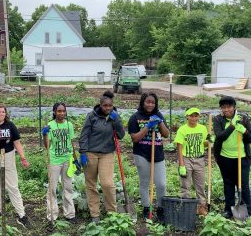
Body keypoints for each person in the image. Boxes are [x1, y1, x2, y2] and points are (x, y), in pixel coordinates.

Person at [0, 104, 32, 228]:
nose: (2, 114)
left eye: (3, 112)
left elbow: (17, 143)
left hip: (7, 156)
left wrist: (23, 158)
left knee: (12, 186)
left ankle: (21, 215)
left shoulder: (10, 126)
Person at [79, 91, 125, 223]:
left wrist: (117, 120)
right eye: (105, 106)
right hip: (91, 153)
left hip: (107, 153)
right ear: (100, 105)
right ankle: (95, 214)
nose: (108, 108)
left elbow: (121, 135)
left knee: (107, 183)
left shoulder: (114, 117)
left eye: (110, 106)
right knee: (91, 184)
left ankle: (112, 212)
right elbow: (84, 135)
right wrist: (83, 152)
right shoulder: (91, 116)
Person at [128, 92, 169, 221]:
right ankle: (146, 208)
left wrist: (160, 122)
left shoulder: (159, 115)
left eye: (153, 102)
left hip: (158, 154)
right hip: (141, 154)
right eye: (148, 102)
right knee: (145, 183)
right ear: (143, 102)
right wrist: (147, 127)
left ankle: (160, 209)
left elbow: (166, 134)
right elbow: (135, 138)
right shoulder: (135, 117)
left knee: (161, 184)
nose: (150, 104)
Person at [42, 102, 79, 230]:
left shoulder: (69, 125)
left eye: (63, 111)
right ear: (54, 112)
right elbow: (47, 146)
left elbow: (71, 143)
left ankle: (70, 214)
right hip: (54, 161)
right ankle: (52, 216)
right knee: (52, 188)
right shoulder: (50, 126)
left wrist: (75, 159)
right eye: (59, 111)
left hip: (67, 160)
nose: (62, 113)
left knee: (68, 187)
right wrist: (44, 134)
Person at [213, 96, 251, 218]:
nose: (226, 110)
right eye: (223, 107)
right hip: (225, 158)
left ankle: (248, 211)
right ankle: (229, 210)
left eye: (228, 107)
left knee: (244, 185)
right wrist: (232, 126)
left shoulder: (243, 118)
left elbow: (250, 138)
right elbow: (220, 136)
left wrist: (244, 131)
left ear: (234, 107)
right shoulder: (218, 119)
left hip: (242, 158)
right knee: (228, 184)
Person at [174, 107, 209, 216]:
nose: (194, 118)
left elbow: (205, 143)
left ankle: (201, 207)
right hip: (186, 159)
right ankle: (186, 208)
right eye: (191, 116)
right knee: (185, 185)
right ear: (187, 116)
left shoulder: (203, 128)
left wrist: (209, 140)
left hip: (199, 159)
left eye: (196, 116)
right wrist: (181, 165)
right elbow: (179, 147)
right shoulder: (182, 129)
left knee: (200, 185)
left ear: (198, 116)